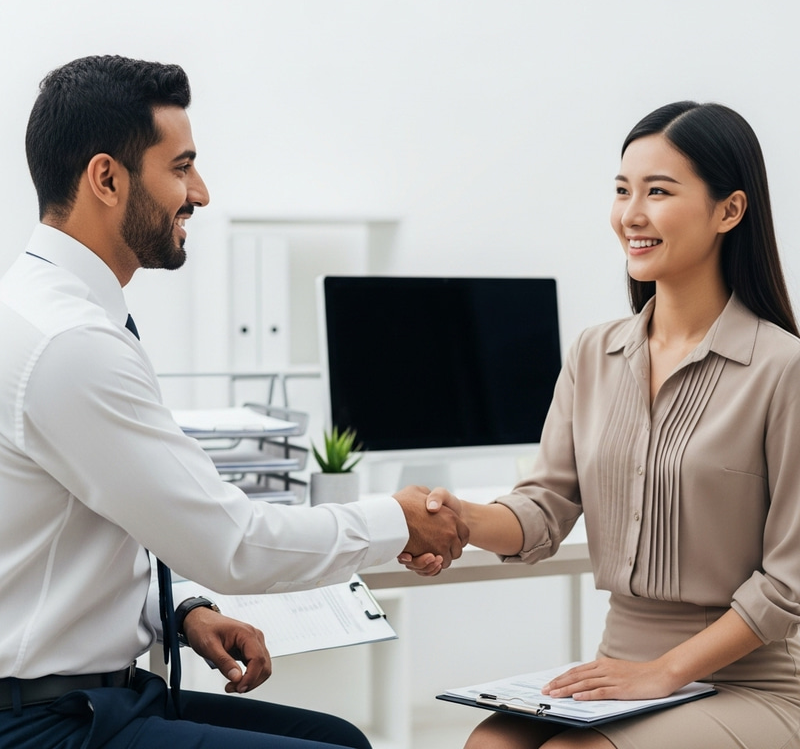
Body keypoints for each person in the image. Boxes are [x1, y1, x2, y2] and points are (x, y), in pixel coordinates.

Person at [0, 55, 469, 749]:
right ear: (107, 178)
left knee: (343, 739)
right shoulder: (71, 345)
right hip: (45, 722)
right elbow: (235, 544)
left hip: (94, 692)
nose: (202, 193)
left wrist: (182, 610)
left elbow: (83, 530)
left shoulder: (46, 312)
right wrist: (396, 521)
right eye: (181, 167)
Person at [402, 101, 800, 748]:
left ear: (729, 210)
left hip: (750, 681)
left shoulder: (783, 368)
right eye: (623, 191)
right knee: (487, 744)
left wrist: (664, 672)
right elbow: (547, 505)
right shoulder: (596, 352)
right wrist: (461, 517)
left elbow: (789, 584)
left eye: (659, 191)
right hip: (618, 665)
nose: (631, 214)